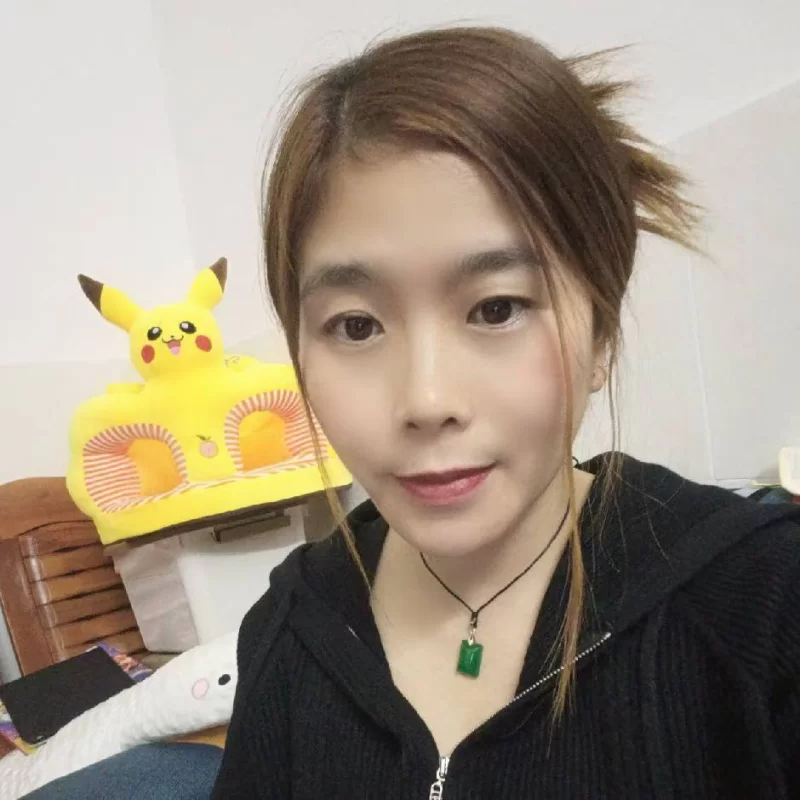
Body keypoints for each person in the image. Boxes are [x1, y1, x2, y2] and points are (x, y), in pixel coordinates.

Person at [212, 26, 800, 798]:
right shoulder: (289, 629)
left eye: (496, 308)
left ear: (601, 334)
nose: (427, 401)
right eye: (356, 326)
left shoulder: (766, 600)